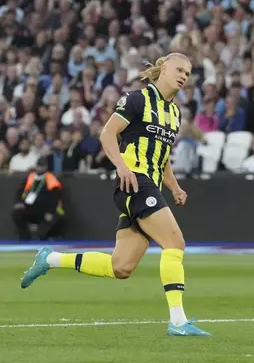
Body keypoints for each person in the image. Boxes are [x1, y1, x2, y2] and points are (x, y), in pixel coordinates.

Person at [19, 53, 210, 337]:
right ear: (164, 69)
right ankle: (178, 321)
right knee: (175, 242)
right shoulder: (137, 99)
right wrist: (122, 167)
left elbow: (162, 157)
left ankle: (50, 259)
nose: (184, 75)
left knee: (120, 266)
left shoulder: (174, 113)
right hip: (134, 183)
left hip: (150, 186)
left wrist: (174, 187)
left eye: (188, 72)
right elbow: (108, 134)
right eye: (179, 69)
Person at [12, 157, 65, 241]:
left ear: (46, 167)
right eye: (38, 165)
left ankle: (42, 236)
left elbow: (56, 197)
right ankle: (24, 236)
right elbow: (20, 191)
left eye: (42, 166)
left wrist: (50, 211)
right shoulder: (30, 177)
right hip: (30, 207)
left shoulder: (51, 179)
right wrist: (19, 202)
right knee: (16, 213)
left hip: (44, 209)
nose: (40, 168)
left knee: (55, 215)